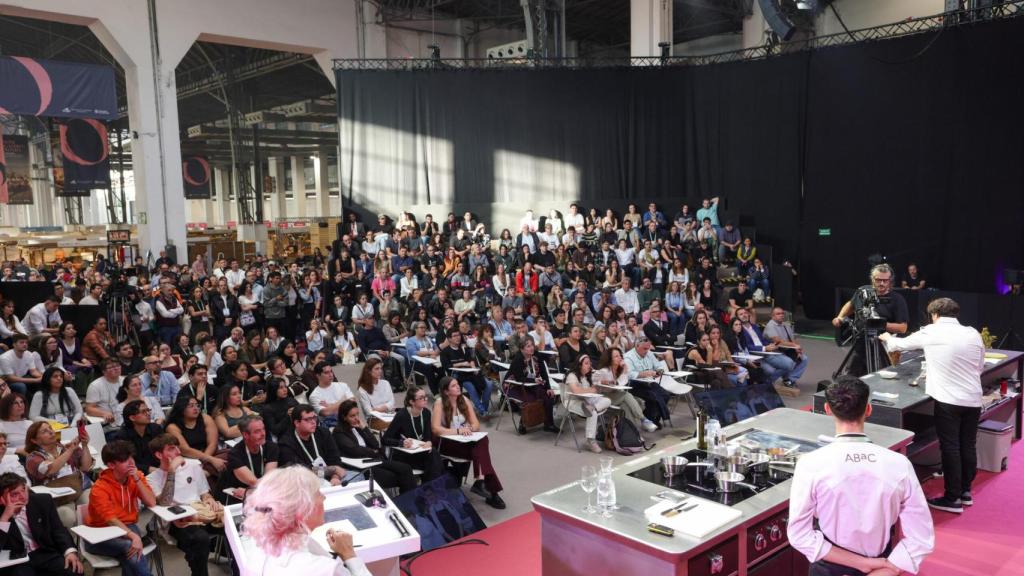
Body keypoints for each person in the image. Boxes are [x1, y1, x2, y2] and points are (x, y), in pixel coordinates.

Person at [788, 376, 933, 576]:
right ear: (868, 409)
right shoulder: (899, 464)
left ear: (828, 410)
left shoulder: (811, 463)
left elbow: (799, 535)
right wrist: (885, 569)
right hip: (881, 567)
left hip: (829, 568)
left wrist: (861, 563)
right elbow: (921, 538)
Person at [880, 297, 985, 514]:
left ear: (934, 315)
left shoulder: (931, 331)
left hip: (949, 400)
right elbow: (979, 365)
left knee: (950, 447)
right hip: (973, 398)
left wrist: (886, 335)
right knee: (968, 445)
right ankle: (965, 492)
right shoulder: (972, 332)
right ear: (955, 314)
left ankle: (952, 498)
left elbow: (896, 345)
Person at [242, 466, 370, 576]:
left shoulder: (258, 552)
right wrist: (349, 554)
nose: (324, 498)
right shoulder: (324, 569)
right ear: (304, 508)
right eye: (318, 493)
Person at [146, 434, 221, 576]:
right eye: (172, 449)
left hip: (200, 511)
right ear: (159, 454)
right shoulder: (151, 479)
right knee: (200, 539)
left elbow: (204, 493)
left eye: (178, 448)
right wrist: (172, 471)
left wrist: (209, 499)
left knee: (235, 526)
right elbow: (164, 503)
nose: (178, 452)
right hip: (176, 519)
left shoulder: (193, 465)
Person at [85, 440, 157, 576]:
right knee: (131, 547)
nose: (131, 462)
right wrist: (134, 537)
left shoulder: (136, 476)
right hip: (99, 534)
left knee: (130, 556)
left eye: (131, 457)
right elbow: (111, 520)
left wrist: (136, 479)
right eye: (125, 460)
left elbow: (151, 502)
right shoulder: (99, 488)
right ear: (111, 465)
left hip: (127, 526)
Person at [431, 377, 505, 509]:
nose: (458, 387)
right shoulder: (439, 403)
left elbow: (476, 424)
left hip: (464, 442)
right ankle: (491, 491)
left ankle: (481, 480)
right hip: (447, 443)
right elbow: (436, 429)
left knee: (482, 440)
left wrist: (469, 429)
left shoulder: (464, 400)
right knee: (480, 454)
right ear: (446, 391)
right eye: (454, 386)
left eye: (458, 384)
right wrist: (459, 431)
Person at [0, 472, 85, 576]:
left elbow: (58, 529)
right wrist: (4, 518)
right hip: (18, 561)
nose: (23, 496)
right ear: (2, 499)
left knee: (75, 571)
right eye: (15, 494)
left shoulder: (42, 501)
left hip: (45, 552)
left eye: (23, 489)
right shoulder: (2, 515)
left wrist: (70, 552)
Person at [832, 264, 908, 377]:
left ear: (890, 281)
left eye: (885, 280)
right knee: (850, 376)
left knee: (880, 377)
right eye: (878, 280)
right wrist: (840, 317)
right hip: (860, 341)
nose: (882, 283)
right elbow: (851, 304)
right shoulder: (863, 291)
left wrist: (880, 324)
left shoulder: (897, 299)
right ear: (873, 279)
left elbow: (903, 328)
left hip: (882, 345)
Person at [332, 400, 417, 493]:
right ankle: (407, 502)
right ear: (344, 417)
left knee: (406, 468)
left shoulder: (358, 426)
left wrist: (364, 428)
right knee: (398, 477)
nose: (357, 418)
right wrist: (373, 451)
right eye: (352, 416)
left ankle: (409, 501)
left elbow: (376, 444)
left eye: (357, 414)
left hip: (376, 460)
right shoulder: (339, 432)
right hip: (362, 465)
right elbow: (355, 450)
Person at [23, 421, 92, 527]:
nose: (51, 432)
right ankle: (70, 543)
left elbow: (86, 467)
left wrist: (84, 445)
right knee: (67, 515)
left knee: (91, 502)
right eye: (44, 431)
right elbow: (51, 469)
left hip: (78, 489)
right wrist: (70, 450)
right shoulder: (33, 458)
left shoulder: (65, 447)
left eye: (50, 428)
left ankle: (89, 541)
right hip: (56, 499)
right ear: (34, 440)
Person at [278, 404, 352, 486]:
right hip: (306, 482)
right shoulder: (286, 442)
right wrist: (332, 470)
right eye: (308, 419)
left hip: (329, 478)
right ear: (297, 423)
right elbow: (301, 471)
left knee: (357, 477)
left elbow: (335, 460)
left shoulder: (324, 433)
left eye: (314, 417)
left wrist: (335, 477)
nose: (313, 422)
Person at [381, 386, 444, 480]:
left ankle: (431, 488)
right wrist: (401, 443)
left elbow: (428, 436)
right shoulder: (402, 415)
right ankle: (432, 489)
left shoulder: (426, 413)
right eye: (421, 398)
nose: (425, 399)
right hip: (404, 454)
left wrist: (429, 442)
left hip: (419, 452)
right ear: (412, 402)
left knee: (433, 455)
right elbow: (385, 440)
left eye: (425, 396)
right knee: (433, 461)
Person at [216, 414, 278, 503]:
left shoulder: (271, 447)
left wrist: (249, 492)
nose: (263, 434)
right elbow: (252, 481)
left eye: (263, 429)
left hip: (254, 493)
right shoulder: (235, 453)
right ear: (245, 435)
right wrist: (249, 492)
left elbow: (269, 479)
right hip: (237, 497)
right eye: (257, 431)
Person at [165, 395, 226, 477]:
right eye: (191, 406)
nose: (196, 408)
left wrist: (205, 460)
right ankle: (205, 473)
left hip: (209, 453)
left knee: (230, 455)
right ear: (182, 409)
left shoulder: (206, 418)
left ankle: (206, 472)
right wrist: (210, 460)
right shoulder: (172, 427)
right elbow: (185, 449)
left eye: (197, 405)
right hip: (188, 458)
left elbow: (212, 443)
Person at [507, 338, 558, 434]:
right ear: (522, 349)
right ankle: (523, 423)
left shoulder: (537, 356)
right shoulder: (518, 359)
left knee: (549, 396)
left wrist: (548, 388)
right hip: (514, 385)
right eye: (528, 346)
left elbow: (544, 374)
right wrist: (534, 380)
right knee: (531, 398)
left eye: (532, 345)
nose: (531, 348)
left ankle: (549, 424)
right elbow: (519, 378)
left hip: (532, 384)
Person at [563, 355, 612, 453]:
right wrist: (592, 389)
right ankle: (591, 441)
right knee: (592, 413)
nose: (589, 365)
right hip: (572, 401)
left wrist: (600, 384)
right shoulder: (572, 375)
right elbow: (576, 391)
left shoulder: (587, 376)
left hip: (587, 402)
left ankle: (592, 408)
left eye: (590, 363)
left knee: (607, 401)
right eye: (586, 363)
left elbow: (594, 391)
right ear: (579, 365)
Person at [622, 337, 674, 428]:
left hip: (649, 382)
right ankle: (662, 418)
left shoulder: (649, 353)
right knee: (655, 397)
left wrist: (659, 372)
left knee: (665, 395)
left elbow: (658, 366)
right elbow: (629, 374)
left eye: (648, 348)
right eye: (645, 348)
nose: (647, 351)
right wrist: (644, 374)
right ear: (637, 346)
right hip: (634, 384)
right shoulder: (628, 357)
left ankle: (652, 419)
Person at [440, 330, 492, 416]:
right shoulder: (445, 352)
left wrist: (473, 367)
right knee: (471, 387)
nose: (458, 337)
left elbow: (471, 360)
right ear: (449, 339)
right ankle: (482, 410)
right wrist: (461, 363)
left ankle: (484, 408)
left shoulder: (464, 348)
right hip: (458, 376)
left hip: (471, 373)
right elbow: (446, 366)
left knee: (489, 384)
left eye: (459, 335)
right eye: (455, 335)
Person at [763, 306, 810, 388]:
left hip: (786, 351)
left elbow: (793, 340)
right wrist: (795, 346)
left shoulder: (786, 325)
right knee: (789, 363)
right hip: (775, 352)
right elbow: (778, 342)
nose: (781, 315)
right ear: (772, 316)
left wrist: (797, 350)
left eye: (782, 313)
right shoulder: (770, 326)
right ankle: (769, 381)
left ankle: (789, 379)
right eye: (778, 314)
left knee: (804, 359)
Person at [114, 399, 163, 476]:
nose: (148, 414)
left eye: (148, 410)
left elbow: (163, 450)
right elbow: (124, 461)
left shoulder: (155, 429)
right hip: (134, 474)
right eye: (143, 412)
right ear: (132, 418)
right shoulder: (122, 436)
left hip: (159, 469)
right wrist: (148, 469)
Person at [307, 361, 354, 429]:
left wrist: (331, 406)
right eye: (326, 372)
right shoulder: (314, 396)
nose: (331, 374)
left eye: (331, 371)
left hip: (350, 421)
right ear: (318, 376)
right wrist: (343, 400)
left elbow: (353, 403)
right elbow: (326, 412)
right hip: (332, 427)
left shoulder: (343, 385)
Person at [355, 358, 395, 431]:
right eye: (377, 369)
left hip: (390, 415)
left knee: (407, 417)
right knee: (397, 424)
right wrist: (385, 408)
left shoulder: (385, 383)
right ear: (369, 371)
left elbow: (392, 403)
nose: (380, 371)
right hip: (374, 420)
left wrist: (378, 409)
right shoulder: (362, 389)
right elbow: (369, 412)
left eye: (380, 368)